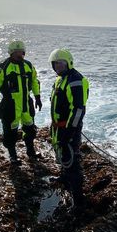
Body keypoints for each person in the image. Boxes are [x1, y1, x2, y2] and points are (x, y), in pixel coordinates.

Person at [49, 48, 89, 210]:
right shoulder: (61, 79)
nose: (58, 66)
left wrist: (69, 132)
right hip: (59, 127)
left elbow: (79, 109)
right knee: (62, 154)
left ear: (68, 63)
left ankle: (78, 200)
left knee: (73, 162)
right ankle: (65, 179)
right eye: (55, 64)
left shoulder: (75, 80)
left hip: (69, 128)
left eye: (60, 63)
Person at [0, 40, 42, 163]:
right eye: (17, 53)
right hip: (10, 105)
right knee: (10, 133)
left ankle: (31, 151)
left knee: (30, 129)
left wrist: (37, 97)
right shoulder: (3, 67)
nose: (20, 55)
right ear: (11, 53)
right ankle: (13, 155)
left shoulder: (28, 65)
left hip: (26, 104)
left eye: (22, 53)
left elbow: (34, 81)